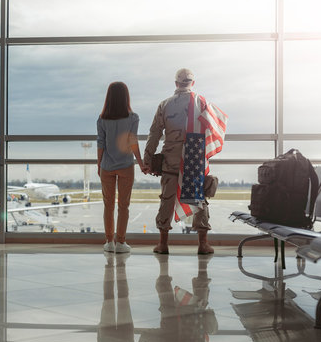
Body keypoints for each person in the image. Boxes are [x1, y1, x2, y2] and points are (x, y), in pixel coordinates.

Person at [143, 68, 228, 255]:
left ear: (176, 84)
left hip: (171, 162)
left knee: (166, 200)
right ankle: (203, 244)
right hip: (194, 160)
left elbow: (154, 134)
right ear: (192, 83)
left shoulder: (164, 105)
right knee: (199, 200)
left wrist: (147, 159)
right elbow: (216, 129)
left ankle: (163, 244)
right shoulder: (203, 103)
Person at [97, 82, 148, 254]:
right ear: (126, 97)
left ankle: (109, 242)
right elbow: (133, 142)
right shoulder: (133, 118)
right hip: (126, 165)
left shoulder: (102, 119)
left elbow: (101, 144)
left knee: (108, 206)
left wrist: (99, 165)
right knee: (123, 206)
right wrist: (140, 163)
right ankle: (121, 242)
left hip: (107, 166)